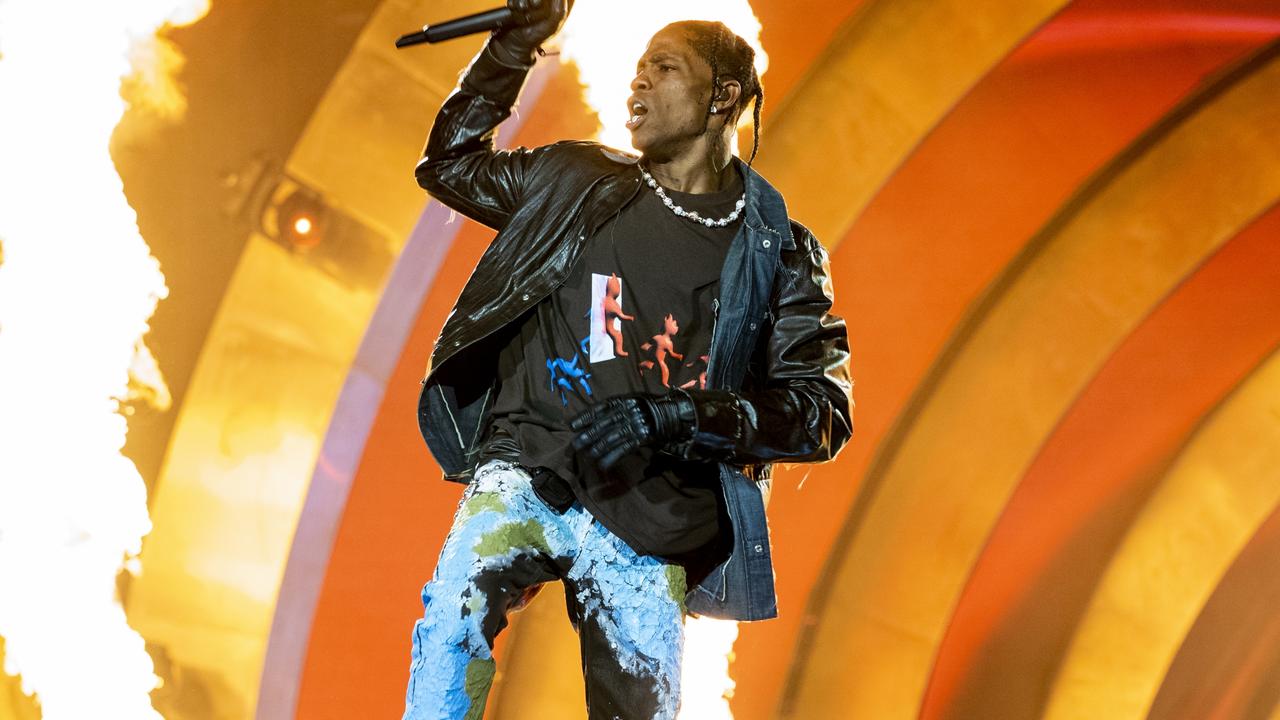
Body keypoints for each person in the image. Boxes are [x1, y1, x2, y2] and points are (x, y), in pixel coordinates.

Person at [403, 0, 853, 718]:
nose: (635, 85)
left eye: (662, 68)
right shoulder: (573, 178)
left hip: (649, 520)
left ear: (723, 96)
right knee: (453, 626)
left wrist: (677, 415)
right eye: (635, 70)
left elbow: (820, 412)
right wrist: (514, 46)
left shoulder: (779, 252)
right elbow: (450, 165)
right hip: (528, 469)